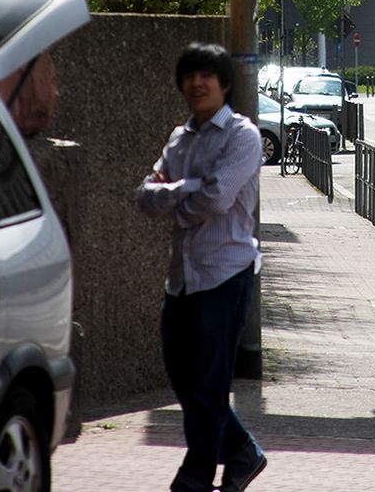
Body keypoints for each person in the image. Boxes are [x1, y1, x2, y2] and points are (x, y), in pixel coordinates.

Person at [137, 43, 266, 492]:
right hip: (183, 277)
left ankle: (196, 475)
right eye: (189, 75)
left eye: (206, 75)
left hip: (226, 273)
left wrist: (175, 195)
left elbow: (217, 198)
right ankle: (243, 451)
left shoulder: (242, 136)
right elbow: (144, 197)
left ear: (224, 83)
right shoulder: (180, 138)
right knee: (184, 378)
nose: (197, 83)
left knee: (209, 382)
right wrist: (187, 189)